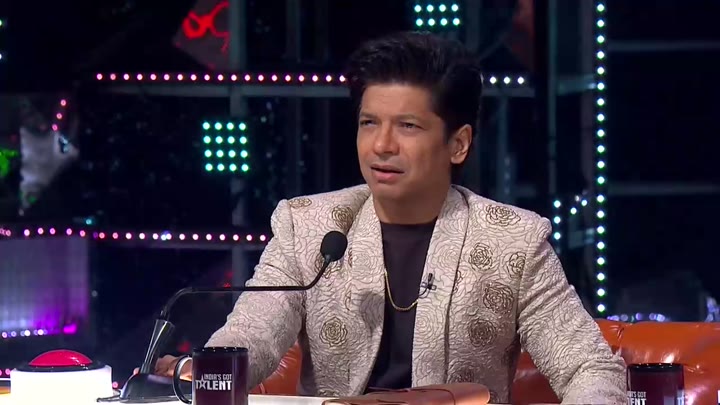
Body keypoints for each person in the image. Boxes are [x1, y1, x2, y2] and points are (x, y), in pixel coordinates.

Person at [149, 31, 626, 403]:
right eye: (369, 123)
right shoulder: (309, 226)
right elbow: (253, 334)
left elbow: (589, 368)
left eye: (408, 127)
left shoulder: (514, 241)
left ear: (458, 144)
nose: (381, 145)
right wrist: (201, 371)